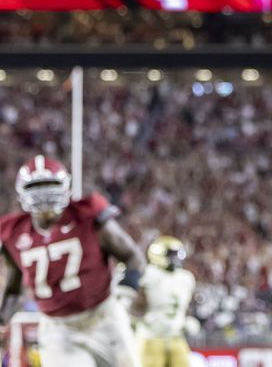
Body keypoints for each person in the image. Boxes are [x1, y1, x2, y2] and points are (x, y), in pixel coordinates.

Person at [0, 155, 145, 367]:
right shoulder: (14, 232)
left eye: (49, 185)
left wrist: (126, 290)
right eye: (36, 187)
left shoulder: (86, 215)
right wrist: (2, 319)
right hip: (59, 330)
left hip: (105, 319)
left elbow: (132, 256)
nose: (44, 194)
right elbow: (14, 286)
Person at [136, 236, 195, 367]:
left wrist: (185, 320)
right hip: (152, 336)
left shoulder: (186, 278)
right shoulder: (149, 274)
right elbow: (137, 306)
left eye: (177, 254)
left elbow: (184, 307)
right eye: (171, 254)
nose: (175, 259)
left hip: (176, 336)